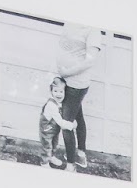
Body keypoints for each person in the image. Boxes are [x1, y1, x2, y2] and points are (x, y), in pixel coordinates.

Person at [55, 23, 104, 172]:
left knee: (66, 123)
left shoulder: (93, 30)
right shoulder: (70, 22)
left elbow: (90, 60)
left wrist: (67, 72)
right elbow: (64, 45)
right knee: (78, 117)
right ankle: (81, 154)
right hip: (65, 78)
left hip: (76, 84)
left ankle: (71, 165)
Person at [38, 77, 75, 169]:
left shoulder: (60, 103)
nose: (58, 94)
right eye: (55, 91)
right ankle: (44, 163)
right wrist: (72, 125)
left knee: (54, 144)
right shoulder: (52, 105)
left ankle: (51, 157)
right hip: (46, 130)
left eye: (61, 92)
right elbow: (60, 122)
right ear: (51, 91)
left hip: (54, 130)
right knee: (47, 146)